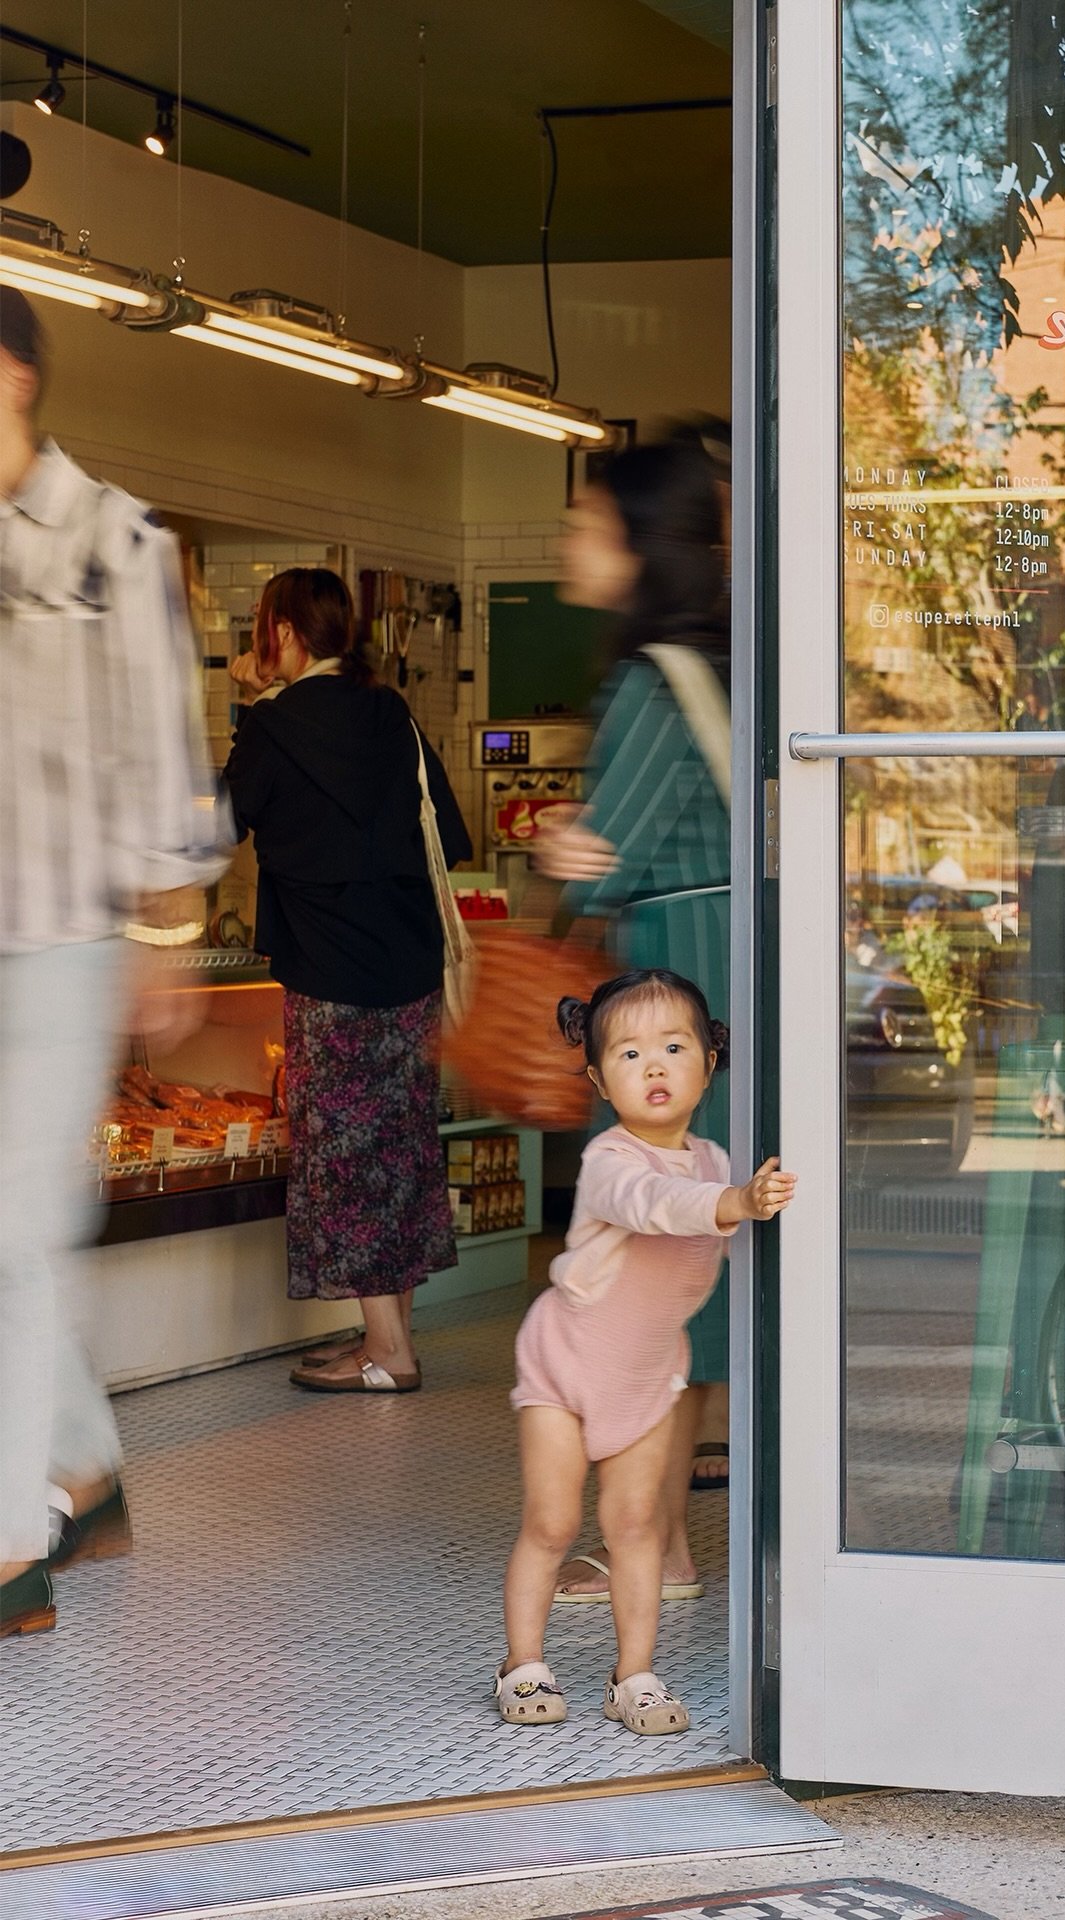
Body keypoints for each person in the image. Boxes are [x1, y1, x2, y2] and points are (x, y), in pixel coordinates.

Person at [0, 288, 226, 1639]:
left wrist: (168, 929)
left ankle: (11, 1538)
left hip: (64, 934)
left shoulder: (109, 540)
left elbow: (168, 744)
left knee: (18, 1233)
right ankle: (81, 1459)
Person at [536, 433, 734, 1603]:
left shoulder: (652, 681)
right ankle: (663, 1543)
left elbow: (612, 859)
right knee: (682, 1272)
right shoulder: (710, 665)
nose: (568, 541)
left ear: (633, 541)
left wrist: (566, 845)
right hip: (713, 1000)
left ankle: (653, 1551)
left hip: (670, 1002)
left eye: (584, 521)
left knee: (648, 1279)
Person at [495, 969, 794, 1733]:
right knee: (553, 1523)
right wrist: (733, 1203)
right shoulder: (610, 1161)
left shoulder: (718, 1161)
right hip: (563, 1363)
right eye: (629, 1055)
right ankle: (523, 1664)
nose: (654, 1066)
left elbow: (731, 1222)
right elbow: (657, 1208)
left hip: (647, 1375)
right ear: (598, 1078)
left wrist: (750, 1196)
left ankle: (634, 1675)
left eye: (672, 1046)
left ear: (709, 1062)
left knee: (638, 1529)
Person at [223, 568, 471, 1392]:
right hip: (408, 967)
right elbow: (450, 830)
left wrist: (249, 702)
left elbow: (224, 820)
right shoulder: (390, 711)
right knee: (398, 1150)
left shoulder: (274, 724)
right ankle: (383, 1337)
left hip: (329, 975)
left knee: (343, 1158)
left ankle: (388, 1354)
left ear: (284, 634)